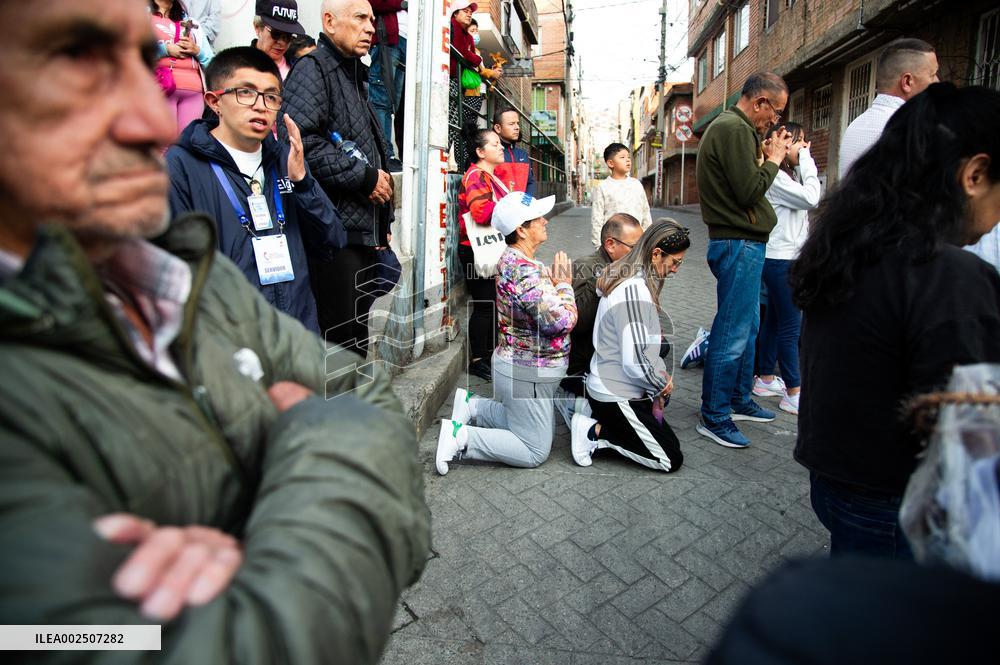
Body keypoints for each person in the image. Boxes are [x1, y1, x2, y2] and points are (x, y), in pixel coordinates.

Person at [0, 0, 430, 660]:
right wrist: (321, 437)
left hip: (298, 320)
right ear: (215, 98)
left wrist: (302, 179)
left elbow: (368, 386)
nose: (148, 119)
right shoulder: (182, 177)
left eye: (142, 68)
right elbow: (69, 639)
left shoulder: (182, 280)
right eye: (79, 61)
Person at [791, 82, 1000, 558]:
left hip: (836, 482)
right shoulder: (951, 276)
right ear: (975, 174)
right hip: (895, 500)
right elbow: (971, 443)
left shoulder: (847, 249)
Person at [167, 47, 346, 333]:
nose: (261, 106)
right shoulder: (181, 166)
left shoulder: (286, 160)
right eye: (246, 93)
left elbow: (332, 240)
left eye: (271, 96)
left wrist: (302, 184)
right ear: (215, 101)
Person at [279, 0, 395, 354]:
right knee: (341, 343)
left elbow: (366, 145)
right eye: (360, 18)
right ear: (329, 21)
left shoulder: (353, 73)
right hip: (333, 234)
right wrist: (364, 178)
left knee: (355, 341)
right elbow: (301, 144)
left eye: (373, 20)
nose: (370, 28)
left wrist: (383, 217)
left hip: (359, 233)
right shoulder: (315, 69)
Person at [436, 192, 576, 474]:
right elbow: (561, 322)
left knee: (525, 424)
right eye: (538, 218)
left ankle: (472, 407)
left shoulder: (518, 261)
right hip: (527, 370)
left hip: (522, 368)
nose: (545, 221)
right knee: (534, 449)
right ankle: (460, 438)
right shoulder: (523, 270)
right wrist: (564, 286)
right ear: (522, 229)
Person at [695, 72, 792, 449]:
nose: (776, 121)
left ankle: (736, 399)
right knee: (732, 331)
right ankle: (714, 414)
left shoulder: (737, 129)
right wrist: (774, 160)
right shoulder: (734, 128)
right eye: (776, 112)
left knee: (747, 327)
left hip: (744, 242)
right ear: (760, 102)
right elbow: (749, 190)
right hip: (737, 243)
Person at [569, 220, 689, 472]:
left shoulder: (635, 279)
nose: (677, 269)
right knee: (668, 459)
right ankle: (593, 432)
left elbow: (645, 348)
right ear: (656, 254)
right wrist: (661, 384)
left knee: (668, 443)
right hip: (615, 392)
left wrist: (659, 377)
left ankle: (590, 412)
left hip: (623, 386)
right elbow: (636, 361)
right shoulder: (633, 289)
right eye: (675, 262)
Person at [751, 122, 820, 416]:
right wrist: (807, 160)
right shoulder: (777, 177)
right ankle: (794, 391)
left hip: (779, 258)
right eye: (799, 143)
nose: (803, 148)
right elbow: (811, 197)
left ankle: (765, 377)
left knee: (776, 322)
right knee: (791, 326)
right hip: (782, 261)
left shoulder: (781, 175)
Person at [554, 213, 643, 426]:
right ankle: (570, 395)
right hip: (582, 362)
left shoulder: (623, 267)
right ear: (610, 245)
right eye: (635, 248)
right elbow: (579, 322)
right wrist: (604, 285)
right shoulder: (588, 267)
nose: (640, 255)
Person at [838, 38, 937, 179]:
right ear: (907, 82)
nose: (937, 81)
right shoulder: (913, 130)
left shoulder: (854, 127)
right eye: (932, 75)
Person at [458, 123, 509, 381]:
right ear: (480, 151)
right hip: (475, 250)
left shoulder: (488, 176)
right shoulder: (476, 176)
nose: (500, 148)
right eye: (495, 145)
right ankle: (478, 359)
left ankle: (487, 355)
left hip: (485, 247)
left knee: (491, 303)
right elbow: (480, 212)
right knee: (485, 305)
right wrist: (510, 211)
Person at [150, 0, 209, 136]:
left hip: (193, 92)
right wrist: (165, 49)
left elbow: (212, 62)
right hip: (161, 87)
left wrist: (197, 51)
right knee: (162, 142)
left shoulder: (192, 23)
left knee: (188, 144)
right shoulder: (142, 17)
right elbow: (132, 49)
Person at [370, 1, 409, 172]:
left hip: (404, 41)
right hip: (387, 40)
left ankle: (388, 154)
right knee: (381, 100)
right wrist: (403, 3)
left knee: (394, 105)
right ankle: (384, 154)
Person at [590, 143, 653, 248]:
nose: (628, 160)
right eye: (622, 157)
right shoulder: (603, 187)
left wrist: (649, 239)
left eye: (629, 157)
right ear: (610, 163)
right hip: (614, 243)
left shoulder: (636, 184)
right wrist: (599, 246)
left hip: (637, 242)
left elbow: (645, 213)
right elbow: (597, 218)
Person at [448, 1, 482, 167]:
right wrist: (471, 56)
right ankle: (447, 159)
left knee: (456, 124)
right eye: (465, 11)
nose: (469, 14)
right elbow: (462, 51)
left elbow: (474, 57)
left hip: (458, 82)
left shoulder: (468, 36)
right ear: (455, 13)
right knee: (451, 121)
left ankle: (459, 163)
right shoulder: (451, 25)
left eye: (471, 12)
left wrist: (472, 56)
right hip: (446, 78)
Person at [463, 19, 503, 128]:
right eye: (473, 30)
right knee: (468, 121)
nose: (476, 33)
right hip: (471, 89)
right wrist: (492, 73)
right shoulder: (467, 48)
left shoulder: (476, 50)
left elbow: (482, 69)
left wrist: (491, 72)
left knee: (472, 120)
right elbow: (480, 69)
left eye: (477, 30)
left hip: (478, 90)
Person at [252, 0, 306, 81]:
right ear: (257, 28)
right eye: (276, 34)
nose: (282, 42)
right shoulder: (240, 67)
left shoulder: (301, 69)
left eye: (288, 36)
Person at [493, 108, 536, 197]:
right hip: (498, 208)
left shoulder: (523, 155)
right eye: (511, 124)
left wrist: (526, 202)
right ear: (498, 128)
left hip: (522, 208)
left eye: (517, 123)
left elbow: (530, 182)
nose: (517, 127)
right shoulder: (490, 153)